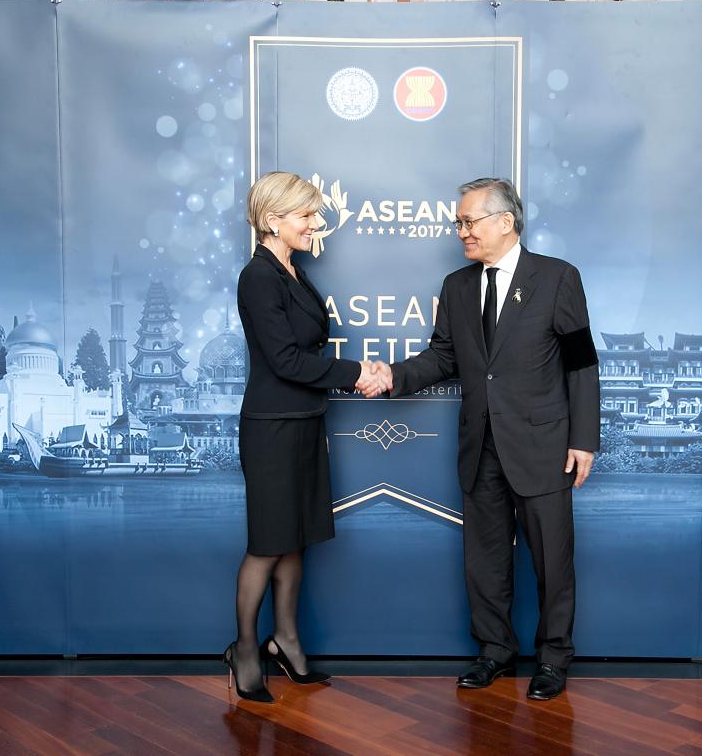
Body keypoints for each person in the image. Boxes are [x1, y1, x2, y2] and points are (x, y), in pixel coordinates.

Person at [371, 177, 599, 700]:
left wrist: (583, 439)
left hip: (542, 445)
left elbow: (582, 366)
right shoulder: (456, 287)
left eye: (469, 221)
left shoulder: (558, 278)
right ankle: (494, 650)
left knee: (552, 559)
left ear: (505, 222)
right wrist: (392, 376)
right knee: (485, 558)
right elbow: (443, 358)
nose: (461, 232)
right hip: (481, 447)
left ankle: (553, 658)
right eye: (459, 222)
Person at [225, 171, 384, 703]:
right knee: (269, 541)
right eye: (307, 215)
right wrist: (357, 372)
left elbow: (306, 351)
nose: (318, 223)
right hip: (271, 428)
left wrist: (347, 374)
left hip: (304, 422)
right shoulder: (258, 277)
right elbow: (287, 360)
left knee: (294, 538)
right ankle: (245, 647)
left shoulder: (292, 271)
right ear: (273, 220)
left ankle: (286, 641)